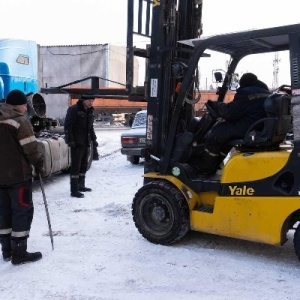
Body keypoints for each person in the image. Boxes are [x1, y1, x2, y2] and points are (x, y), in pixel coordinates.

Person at [192, 73, 271, 176]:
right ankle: (216, 163)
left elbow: (231, 113)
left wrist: (215, 105)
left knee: (217, 133)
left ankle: (205, 167)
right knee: (226, 137)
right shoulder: (264, 91)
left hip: (250, 127)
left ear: (243, 83)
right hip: (259, 126)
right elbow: (242, 110)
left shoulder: (246, 92)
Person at [0, 89, 45, 265]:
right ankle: (19, 253)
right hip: (19, 177)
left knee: (3, 213)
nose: (26, 107)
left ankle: (6, 250)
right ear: (17, 105)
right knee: (22, 212)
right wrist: (39, 165)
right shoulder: (20, 122)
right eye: (24, 104)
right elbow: (31, 150)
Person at [64, 96, 98, 198]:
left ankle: (81, 185)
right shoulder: (74, 109)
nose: (91, 103)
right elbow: (68, 126)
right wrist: (70, 140)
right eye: (89, 101)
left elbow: (90, 128)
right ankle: (74, 190)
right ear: (83, 100)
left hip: (85, 142)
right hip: (76, 143)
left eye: (92, 101)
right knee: (76, 166)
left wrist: (94, 140)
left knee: (84, 165)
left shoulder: (90, 111)